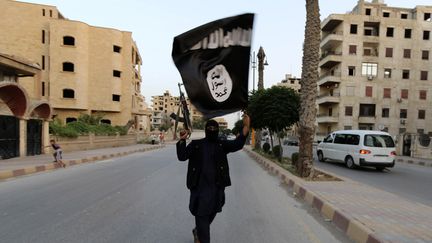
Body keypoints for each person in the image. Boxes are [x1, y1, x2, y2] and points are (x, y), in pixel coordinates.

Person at [176, 113, 250, 243]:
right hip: (199, 189)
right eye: (209, 129)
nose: (211, 131)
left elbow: (238, 144)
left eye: (214, 129)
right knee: (202, 218)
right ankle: (201, 234)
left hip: (216, 188)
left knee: (213, 211)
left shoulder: (221, 145)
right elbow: (182, 156)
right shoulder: (196, 144)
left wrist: (246, 125)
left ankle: (198, 230)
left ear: (217, 131)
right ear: (205, 130)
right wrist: (182, 140)